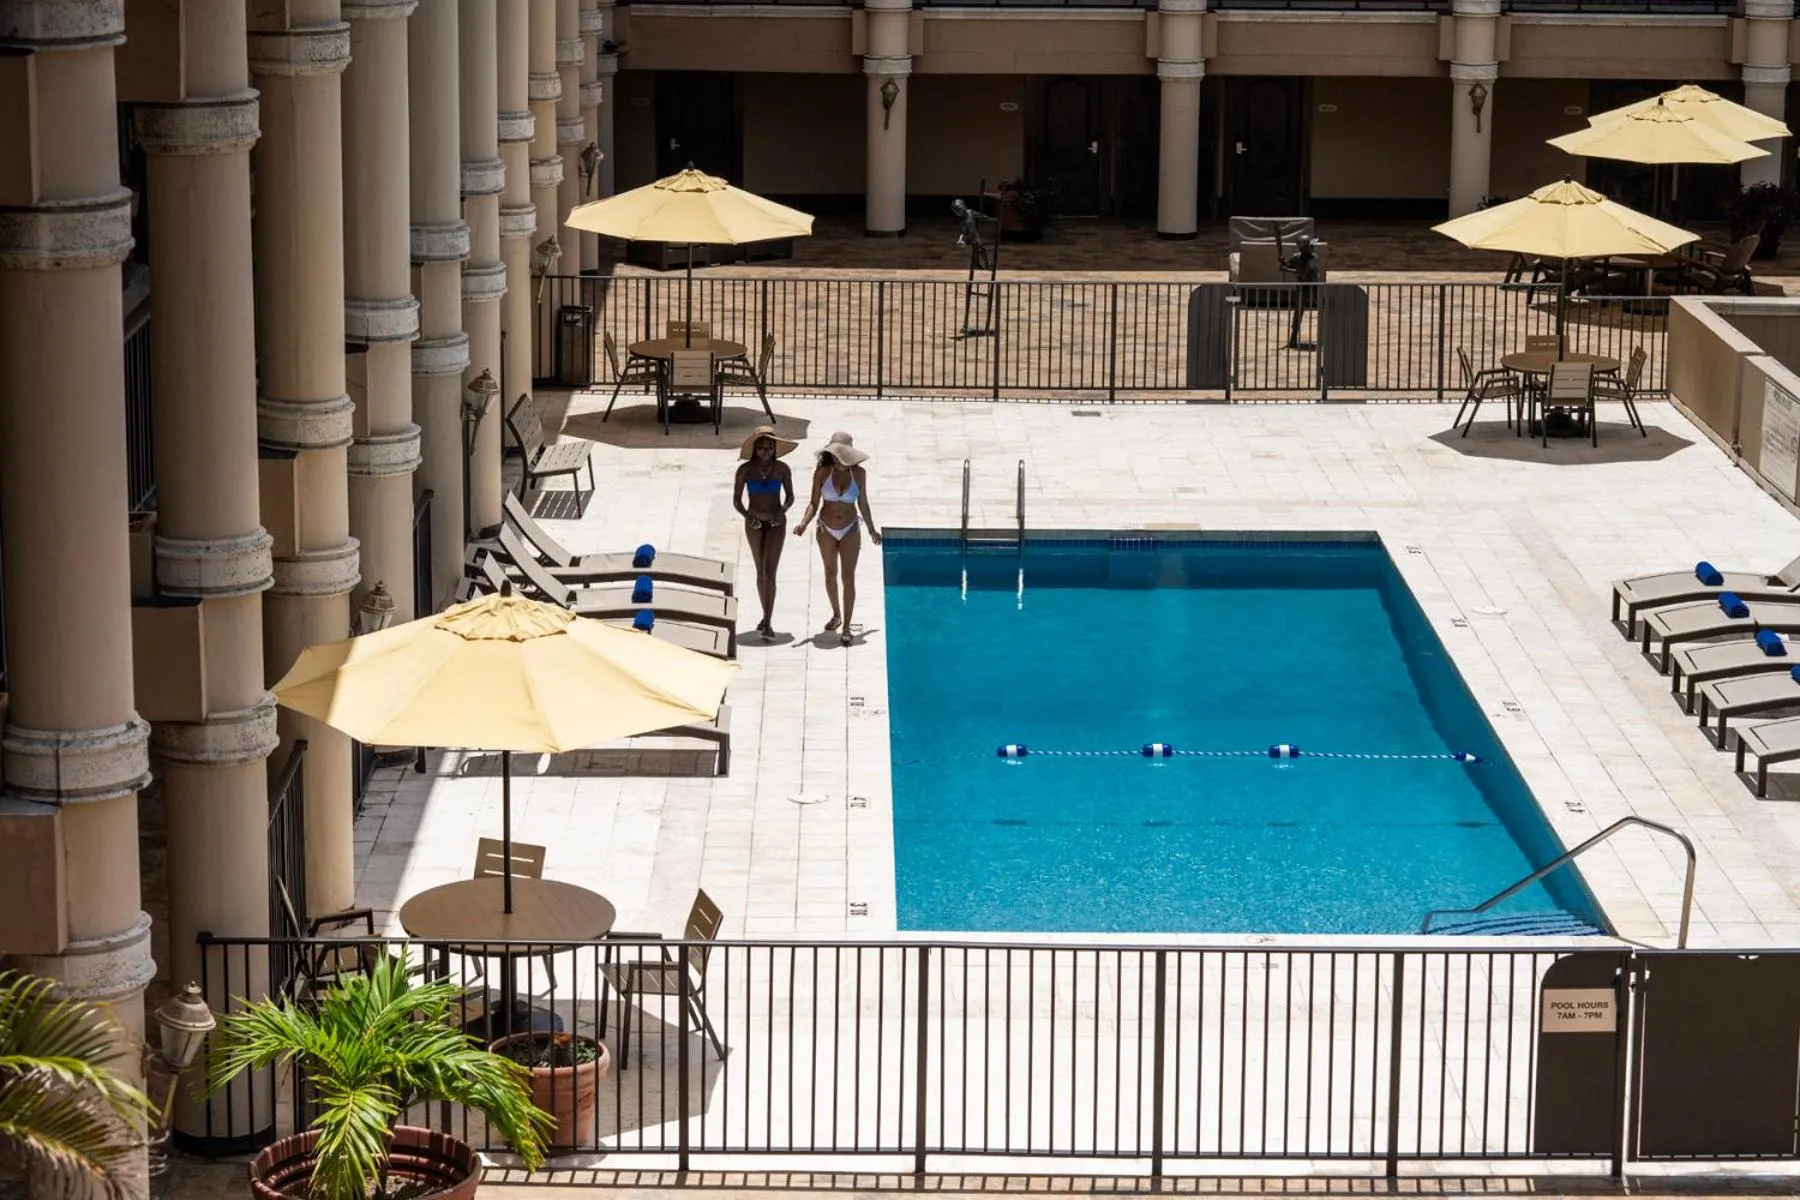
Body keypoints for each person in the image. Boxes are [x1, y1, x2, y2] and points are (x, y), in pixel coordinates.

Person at [793, 431, 880, 646]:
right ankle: (836, 614)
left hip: (850, 528)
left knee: (848, 577)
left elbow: (864, 504)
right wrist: (803, 523)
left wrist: (871, 530)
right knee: (830, 573)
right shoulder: (822, 473)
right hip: (826, 528)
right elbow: (814, 502)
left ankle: (848, 626)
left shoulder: (859, 474)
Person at [733, 425, 797, 639]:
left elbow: (790, 496)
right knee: (760, 571)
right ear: (755, 449)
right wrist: (746, 516)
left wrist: (783, 511)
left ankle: (768, 621)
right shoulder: (745, 470)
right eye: (762, 448)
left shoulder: (782, 469)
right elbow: (736, 499)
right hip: (754, 523)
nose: (766, 451)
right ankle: (765, 613)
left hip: (776, 523)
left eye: (770, 447)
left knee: (770, 571)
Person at [1282, 233, 1321, 350]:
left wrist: (1287, 270)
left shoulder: (1314, 258)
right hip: (1302, 288)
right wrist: (1283, 263)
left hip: (1313, 287)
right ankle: (1293, 338)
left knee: (1323, 310)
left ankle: (1327, 335)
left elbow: (1304, 274)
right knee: (1298, 312)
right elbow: (1290, 265)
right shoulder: (1296, 257)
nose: (1313, 247)